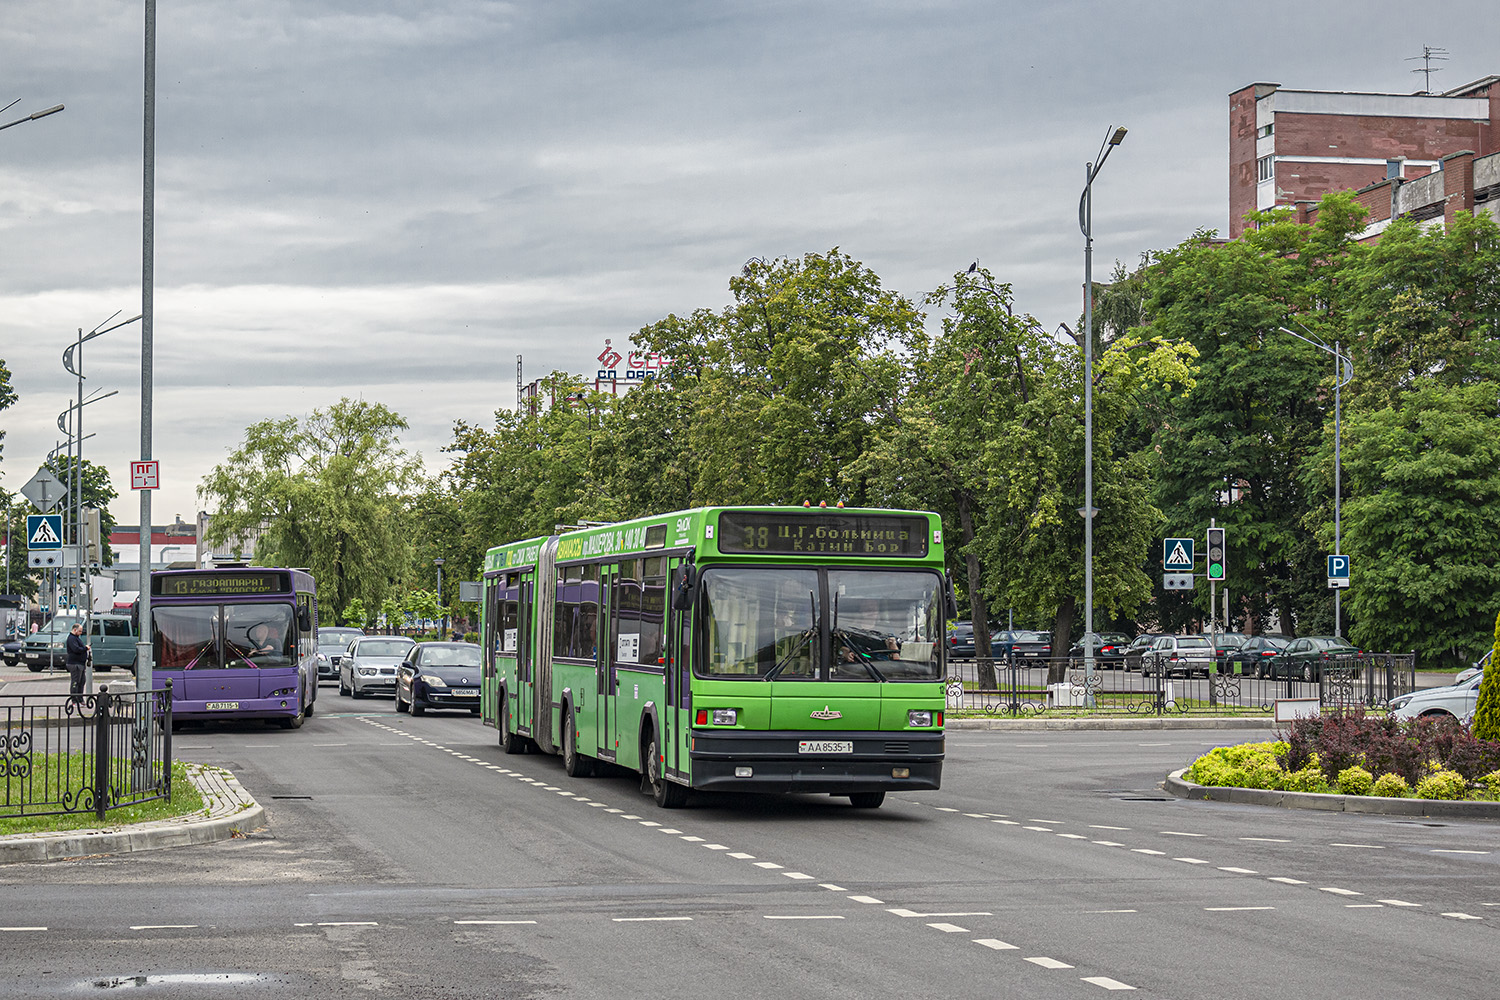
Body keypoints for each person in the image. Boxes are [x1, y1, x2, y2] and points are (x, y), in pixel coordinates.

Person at [64, 622, 90, 704]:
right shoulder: (71, 638)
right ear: (75, 630)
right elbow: (76, 649)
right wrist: (85, 648)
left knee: (82, 681)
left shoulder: (76, 638)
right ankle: (74, 699)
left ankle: (80, 698)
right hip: (74, 663)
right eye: (80, 631)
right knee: (76, 681)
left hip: (79, 663)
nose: (81, 633)